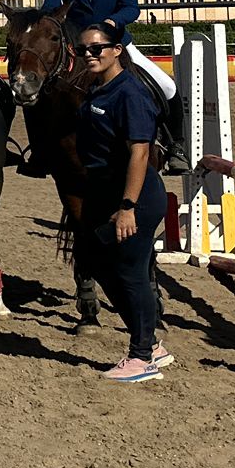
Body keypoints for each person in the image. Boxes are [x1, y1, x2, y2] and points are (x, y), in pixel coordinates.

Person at [71, 24, 174, 383]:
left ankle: (142, 356)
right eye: (84, 48)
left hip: (136, 196)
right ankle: (150, 342)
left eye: (98, 48)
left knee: (131, 273)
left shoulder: (129, 92)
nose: (90, 54)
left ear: (117, 50)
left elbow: (140, 152)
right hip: (106, 192)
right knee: (97, 261)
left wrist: (128, 205)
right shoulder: (96, 89)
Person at [41, 0, 181, 161]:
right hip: (79, 48)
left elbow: (131, 8)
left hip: (117, 43)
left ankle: (175, 146)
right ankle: (40, 153)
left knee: (167, 86)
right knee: (41, 92)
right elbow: (51, 10)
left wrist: (112, 22)